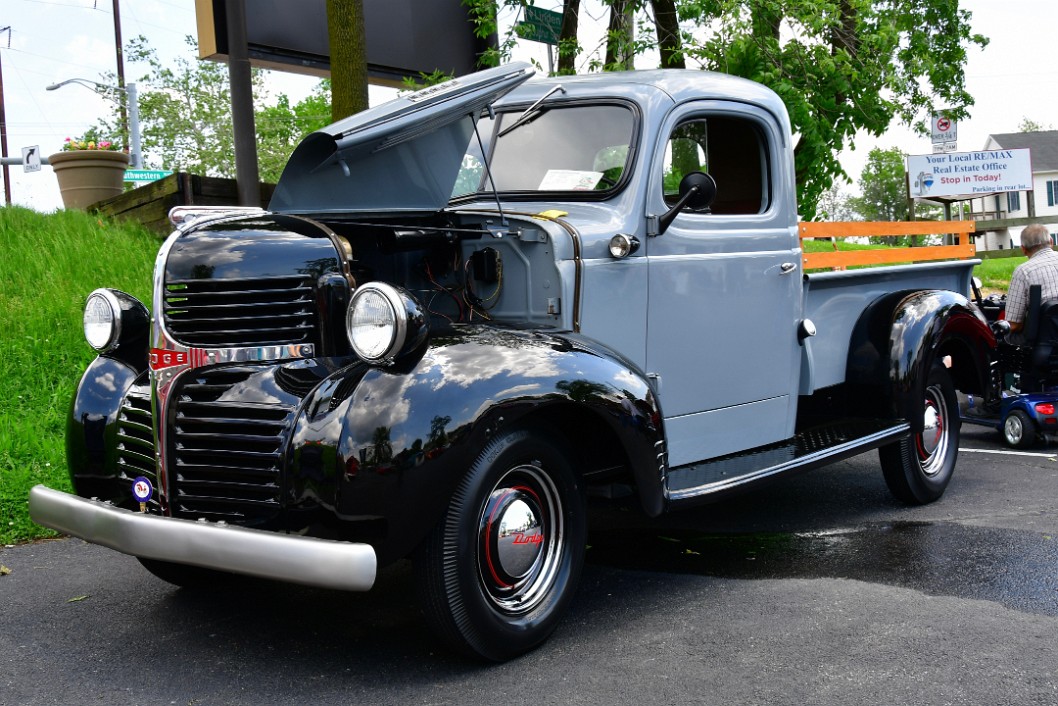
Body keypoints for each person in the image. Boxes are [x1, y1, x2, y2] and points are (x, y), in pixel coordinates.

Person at [1004, 223, 1058, 344]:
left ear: (1023, 249)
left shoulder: (1023, 271)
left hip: (1045, 344)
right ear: (1051, 241)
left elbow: (1014, 324)